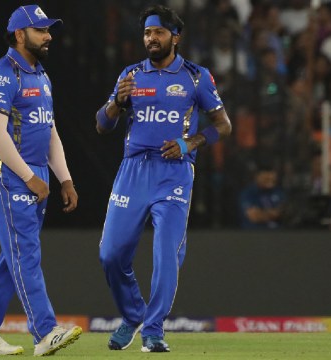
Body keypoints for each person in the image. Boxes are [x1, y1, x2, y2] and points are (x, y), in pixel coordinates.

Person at [94, 4, 231, 353]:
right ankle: (133, 314)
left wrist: (190, 142)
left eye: (157, 32)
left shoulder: (197, 77)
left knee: (165, 253)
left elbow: (223, 126)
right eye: (146, 33)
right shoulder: (131, 74)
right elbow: (102, 124)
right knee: (110, 254)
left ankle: (153, 329)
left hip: (174, 174)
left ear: (175, 36)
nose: (150, 38)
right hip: (133, 170)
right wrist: (116, 104)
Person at [0, 5, 81, 356]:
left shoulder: (42, 75)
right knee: (25, 251)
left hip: (36, 173)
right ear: (19, 34)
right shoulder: (2, 74)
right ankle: (45, 333)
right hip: (7, 170)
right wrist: (30, 177)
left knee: (13, 254)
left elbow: (50, 132)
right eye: (41, 30)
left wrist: (66, 179)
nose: (48, 36)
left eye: (49, 30)